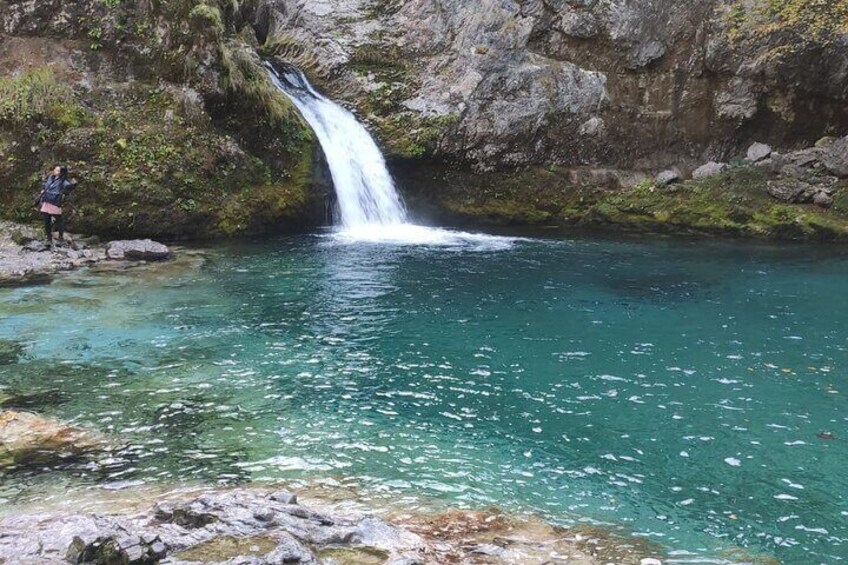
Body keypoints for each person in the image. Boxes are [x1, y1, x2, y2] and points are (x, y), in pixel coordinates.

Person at [36, 165, 77, 245]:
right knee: (46, 220)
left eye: (57, 170)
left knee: (59, 220)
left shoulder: (63, 180)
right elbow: (45, 185)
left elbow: (68, 186)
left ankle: (60, 238)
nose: (55, 171)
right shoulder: (50, 177)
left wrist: (73, 184)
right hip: (46, 200)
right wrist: (43, 190)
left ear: (61, 173)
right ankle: (49, 238)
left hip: (55, 201)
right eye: (55, 169)